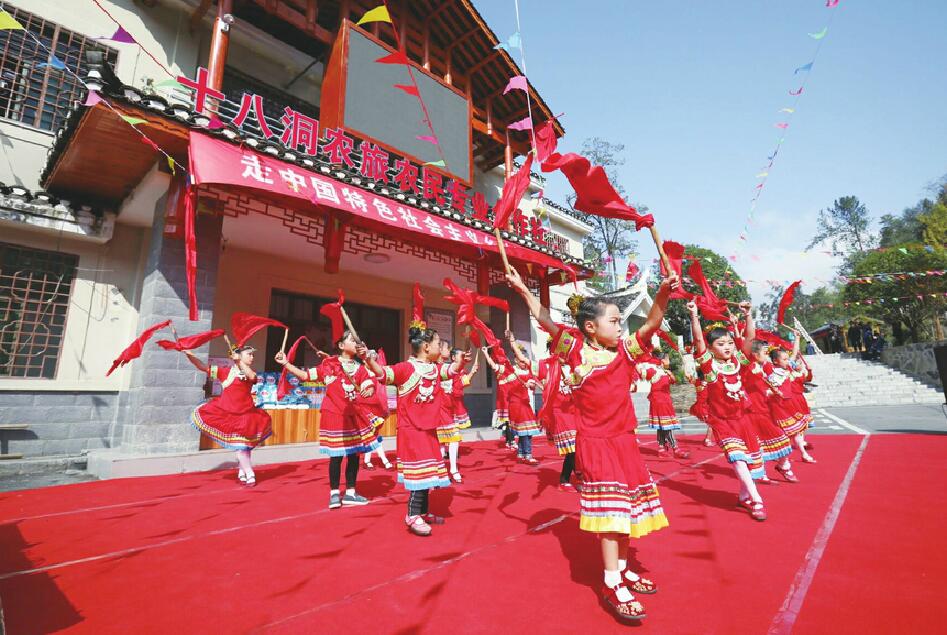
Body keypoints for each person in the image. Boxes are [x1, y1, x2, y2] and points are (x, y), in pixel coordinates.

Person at [507, 265, 677, 622]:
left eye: (620, 321)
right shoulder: (572, 350)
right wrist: (523, 288)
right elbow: (546, 319)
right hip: (595, 445)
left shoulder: (626, 352)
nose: (621, 326)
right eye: (614, 321)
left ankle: (625, 567)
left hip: (625, 444)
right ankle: (612, 581)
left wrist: (663, 293)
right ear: (590, 327)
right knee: (613, 515)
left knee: (627, 512)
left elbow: (651, 325)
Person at [363, 287, 469, 536]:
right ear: (424, 347)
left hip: (430, 429)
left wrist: (461, 360)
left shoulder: (433, 368)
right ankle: (412, 516)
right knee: (419, 476)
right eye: (436, 343)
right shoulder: (405, 368)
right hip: (412, 430)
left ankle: (422, 512)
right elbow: (382, 374)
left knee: (430, 475)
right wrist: (369, 360)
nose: (439, 346)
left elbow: (451, 372)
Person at [277, 330, 379, 508]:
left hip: (353, 416)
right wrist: (286, 363)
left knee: (354, 456)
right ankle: (334, 494)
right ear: (341, 346)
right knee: (336, 456)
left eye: (357, 340)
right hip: (333, 415)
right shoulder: (329, 365)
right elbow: (306, 376)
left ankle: (350, 493)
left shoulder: (360, 368)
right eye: (351, 340)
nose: (355, 342)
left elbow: (368, 384)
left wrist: (368, 390)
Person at [686, 300, 768, 521]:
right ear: (712, 348)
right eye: (721, 344)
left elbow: (750, 340)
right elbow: (698, 340)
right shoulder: (708, 365)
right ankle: (757, 500)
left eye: (730, 343)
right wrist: (694, 316)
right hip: (722, 422)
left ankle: (743, 495)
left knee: (748, 462)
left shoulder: (739, 361)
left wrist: (748, 315)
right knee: (737, 459)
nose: (728, 347)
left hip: (742, 420)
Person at [185, 344, 273, 487]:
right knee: (241, 448)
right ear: (239, 355)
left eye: (252, 354)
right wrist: (189, 355)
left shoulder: (249, 372)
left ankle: (242, 470)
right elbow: (202, 367)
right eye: (249, 354)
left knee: (246, 447)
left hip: (247, 414)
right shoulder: (223, 372)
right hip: (229, 414)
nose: (252, 357)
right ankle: (250, 472)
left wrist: (239, 362)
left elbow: (252, 376)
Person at [537, 337, 579, 491]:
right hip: (559, 412)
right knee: (572, 448)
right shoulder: (544, 365)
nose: (564, 354)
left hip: (573, 410)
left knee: (579, 447)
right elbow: (546, 385)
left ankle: (572, 476)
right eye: (560, 351)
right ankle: (568, 479)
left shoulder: (572, 366)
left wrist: (574, 380)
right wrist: (513, 343)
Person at [640, 350, 689, 459]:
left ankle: (661, 448)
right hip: (659, 401)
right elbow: (642, 373)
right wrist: (635, 362)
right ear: (662, 360)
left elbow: (673, 381)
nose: (669, 361)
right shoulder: (653, 371)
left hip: (665, 400)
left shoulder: (665, 371)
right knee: (667, 426)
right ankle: (675, 448)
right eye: (667, 359)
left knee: (662, 426)